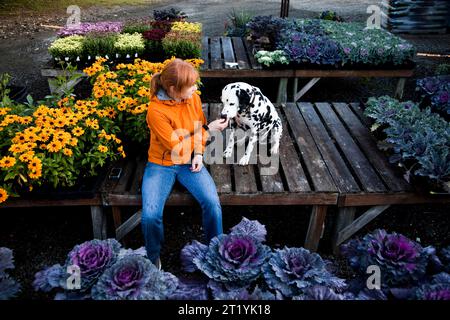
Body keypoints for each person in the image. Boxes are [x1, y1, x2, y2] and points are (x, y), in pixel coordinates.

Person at [142, 58, 229, 269]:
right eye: (190, 85)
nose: (195, 88)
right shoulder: (156, 111)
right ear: (173, 89)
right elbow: (177, 148)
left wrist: (199, 153)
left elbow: (198, 128)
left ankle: (215, 252)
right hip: (161, 164)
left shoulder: (194, 98)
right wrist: (209, 131)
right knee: (151, 215)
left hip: (189, 160)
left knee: (212, 204)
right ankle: (153, 256)